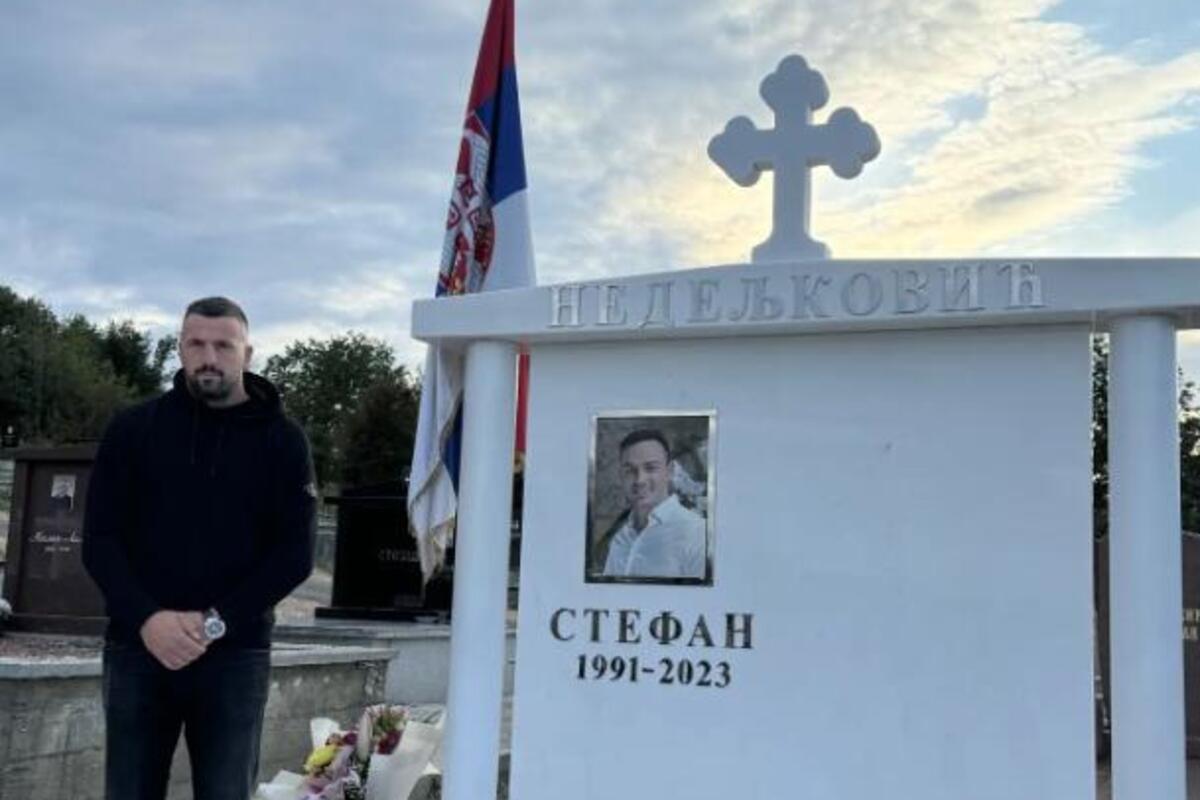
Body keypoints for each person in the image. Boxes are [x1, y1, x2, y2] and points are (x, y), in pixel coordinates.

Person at [83, 297, 315, 800]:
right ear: (180, 349)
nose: (209, 357)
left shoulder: (283, 441)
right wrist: (149, 620)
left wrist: (213, 623)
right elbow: (100, 541)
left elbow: (294, 556)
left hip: (234, 656)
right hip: (137, 650)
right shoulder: (133, 430)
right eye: (196, 344)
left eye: (223, 346)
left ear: (247, 353)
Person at [601, 428, 707, 579]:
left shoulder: (698, 534)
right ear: (621, 476)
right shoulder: (620, 538)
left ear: (670, 471)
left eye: (650, 468)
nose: (639, 480)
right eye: (629, 470)